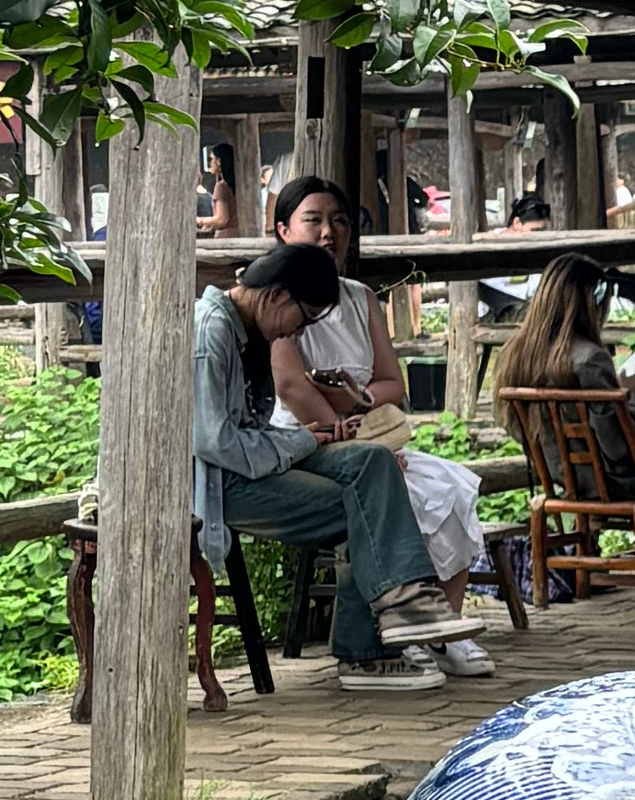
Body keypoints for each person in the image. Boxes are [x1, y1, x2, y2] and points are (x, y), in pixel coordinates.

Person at [264, 176, 512, 668]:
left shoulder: (359, 298)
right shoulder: (276, 300)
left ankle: (445, 629)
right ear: (283, 231)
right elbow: (292, 387)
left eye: (339, 221)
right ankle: (403, 629)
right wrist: (347, 434)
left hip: (368, 433)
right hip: (306, 440)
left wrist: (359, 400)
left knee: (453, 484)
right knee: (405, 492)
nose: (328, 233)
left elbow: (391, 385)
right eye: (312, 220)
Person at [193, 245, 453, 676]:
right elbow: (213, 442)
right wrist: (296, 446)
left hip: (247, 464)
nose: (298, 333)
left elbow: (245, 429)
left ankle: (406, 601)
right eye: (304, 319)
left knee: (372, 461)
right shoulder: (212, 332)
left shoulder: (243, 330)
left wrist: (302, 438)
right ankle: (368, 649)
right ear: (276, 295)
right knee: (363, 505)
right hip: (219, 483)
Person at [495, 258, 635, 575]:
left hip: (563, 476)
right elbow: (615, 445)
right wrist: (627, 401)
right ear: (590, 301)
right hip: (613, 480)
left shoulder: (514, 354)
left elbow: (513, 420)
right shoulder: (589, 358)